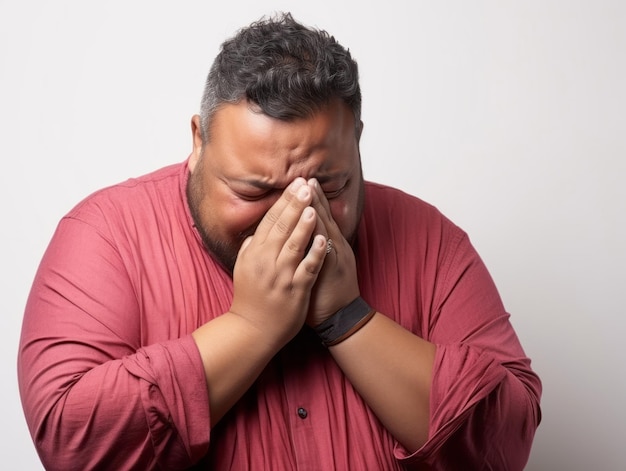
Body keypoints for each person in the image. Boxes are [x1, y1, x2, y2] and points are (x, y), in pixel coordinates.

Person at [18, 12, 542, 470]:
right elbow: (71, 443)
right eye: (253, 189)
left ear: (357, 141)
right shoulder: (106, 235)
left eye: (328, 186)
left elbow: (507, 442)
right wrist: (252, 327)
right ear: (199, 141)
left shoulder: (431, 239)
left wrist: (348, 319)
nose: (295, 216)